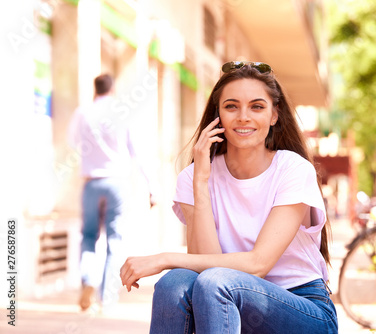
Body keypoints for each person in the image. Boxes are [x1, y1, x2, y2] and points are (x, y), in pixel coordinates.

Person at [120, 61, 338, 333]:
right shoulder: (192, 177)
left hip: (301, 307)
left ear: (274, 115)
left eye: (256, 106)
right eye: (231, 106)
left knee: (213, 281)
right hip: (225, 301)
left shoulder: (293, 170)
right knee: (173, 284)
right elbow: (205, 268)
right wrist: (201, 182)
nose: (243, 117)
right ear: (217, 115)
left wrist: (165, 258)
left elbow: (258, 264)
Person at [69, 74, 157, 312]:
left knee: (88, 236)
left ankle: (88, 280)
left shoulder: (82, 112)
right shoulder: (122, 112)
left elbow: (72, 142)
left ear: (94, 89)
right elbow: (138, 152)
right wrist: (152, 188)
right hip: (117, 183)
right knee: (114, 239)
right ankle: (106, 297)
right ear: (113, 88)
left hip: (91, 183)